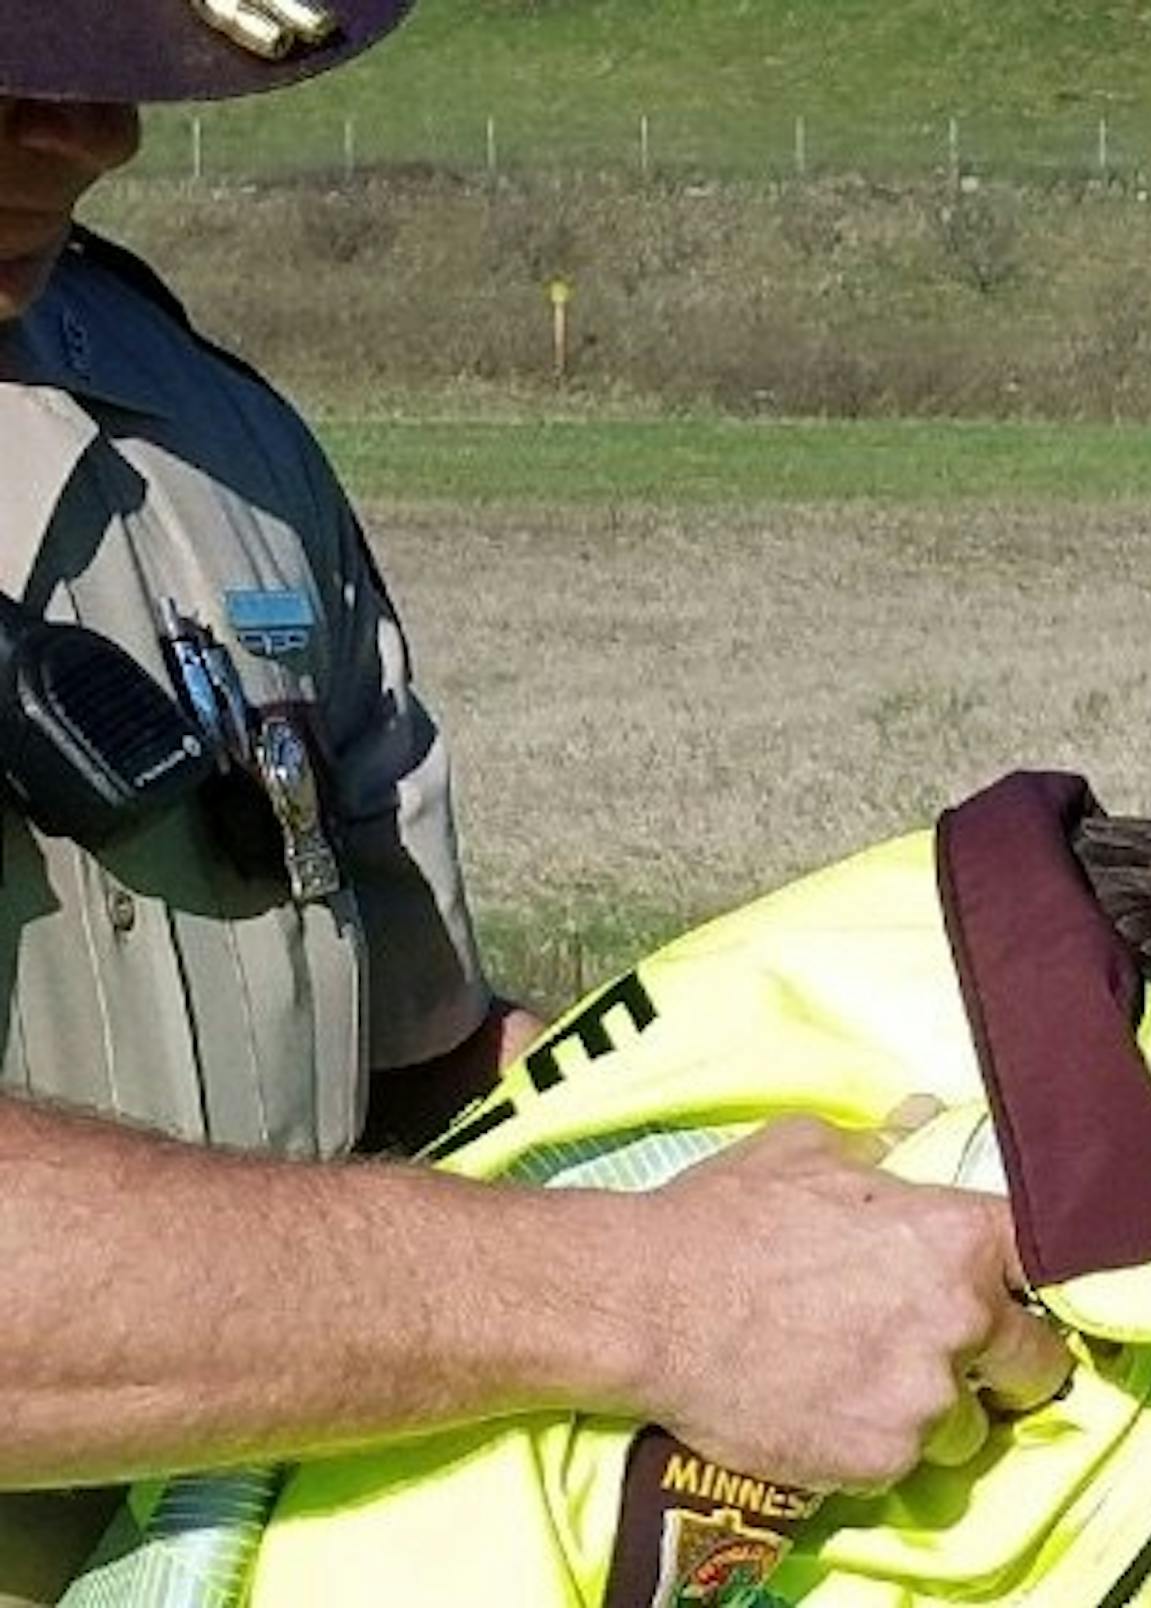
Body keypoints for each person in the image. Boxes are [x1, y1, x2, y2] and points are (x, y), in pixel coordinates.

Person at [0, 6, 1069, 1603]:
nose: (100, 130)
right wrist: (657, 1297)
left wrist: (881, 1157)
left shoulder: (204, 438)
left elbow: (427, 1068)